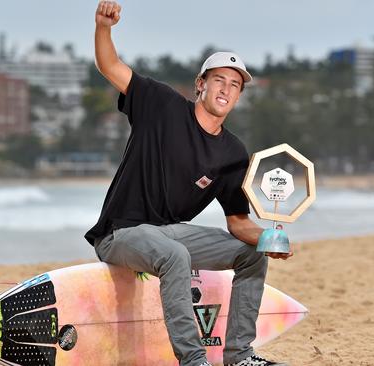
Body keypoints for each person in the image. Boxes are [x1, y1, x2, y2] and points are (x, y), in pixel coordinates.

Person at [86, 2, 293, 365]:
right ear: (201, 84)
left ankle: (239, 356)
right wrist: (104, 28)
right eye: (218, 80)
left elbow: (237, 222)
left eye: (234, 85)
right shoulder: (161, 104)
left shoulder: (232, 153)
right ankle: (193, 360)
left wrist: (269, 239)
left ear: (239, 96)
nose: (226, 89)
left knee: (251, 257)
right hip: (121, 232)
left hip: (168, 233)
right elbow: (110, 66)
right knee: (175, 255)